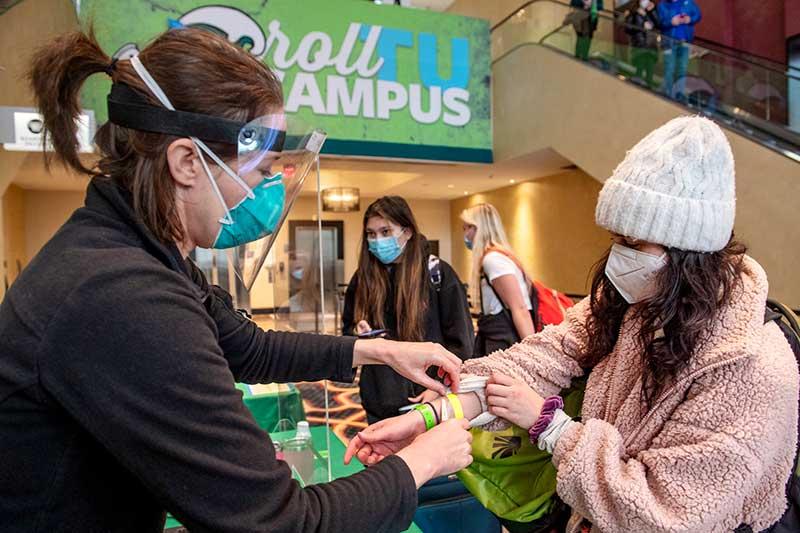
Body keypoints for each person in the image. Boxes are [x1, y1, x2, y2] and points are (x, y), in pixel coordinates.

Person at [0, 29, 475, 533]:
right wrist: (422, 460)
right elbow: (278, 523)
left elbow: (250, 349)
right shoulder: (120, 292)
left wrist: (381, 352)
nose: (265, 191)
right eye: (260, 169)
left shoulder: (142, 252)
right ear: (187, 162)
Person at [346, 116, 800, 532]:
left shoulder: (750, 363)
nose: (618, 256)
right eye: (616, 238)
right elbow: (549, 353)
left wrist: (551, 427)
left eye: (634, 242)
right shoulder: (636, 299)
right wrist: (433, 415)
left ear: (689, 252)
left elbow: (667, 511)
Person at [342, 196, 474, 423]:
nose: (377, 240)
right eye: (371, 234)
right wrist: (358, 329)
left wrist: (439, 388)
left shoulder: (438, 273)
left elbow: (461, 341)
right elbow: (348, 331)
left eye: (385, 231)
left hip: (429, 397)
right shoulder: (363, 277)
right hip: (379, 396)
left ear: (408, 231)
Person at [462, 203, 535, 356]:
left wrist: (532, 352)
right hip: (497, 335)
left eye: (467, 228)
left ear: (478, 229)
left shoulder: (493, 260)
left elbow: (519, 308)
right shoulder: (496, 257)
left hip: (504, 339)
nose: (465, 234)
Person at [658, 0, 702, 99]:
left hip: (685, 42)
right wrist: (671, 22)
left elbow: (698, 15)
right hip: (669, 43)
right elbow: (660, 22)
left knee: (682, 69)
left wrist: (690, 19)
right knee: (669, 68)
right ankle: (668, 94)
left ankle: (679, 94)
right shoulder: (662, 5)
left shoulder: (688, 2)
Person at [624, 0, 660, 88]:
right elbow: (628, 29)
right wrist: (641, 26)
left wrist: (652, 11)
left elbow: (658, 25)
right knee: (638, 72)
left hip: (651, 46)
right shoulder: (633, 12)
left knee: (650, 73)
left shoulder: (652, 12)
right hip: (639, 46)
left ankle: (649, 92)